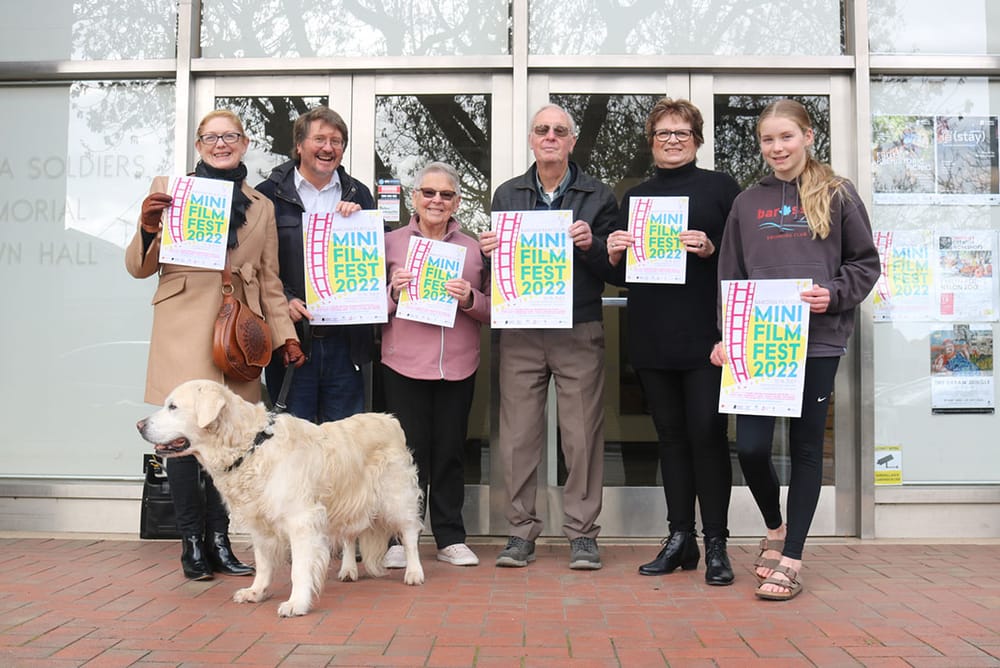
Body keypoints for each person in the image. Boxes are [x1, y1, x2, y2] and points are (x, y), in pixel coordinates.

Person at [710, 99, 880, 600]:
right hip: (760, 342)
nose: (777, 147)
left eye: (786, 137)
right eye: (768, 139)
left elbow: (865, 263)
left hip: (819, 341)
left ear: (808, 136)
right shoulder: (747, 204)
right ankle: (775, 526)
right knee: (752, 447)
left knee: (806, 449)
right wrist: (726, 336)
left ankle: (791, 559)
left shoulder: (838, 193)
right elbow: (730, 275)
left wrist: (835, 294)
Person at [126, 109, 303, 580]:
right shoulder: (171, 190)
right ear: (199, 145)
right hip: (183, 325)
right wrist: (148, 227)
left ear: (244, 144)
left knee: (229, 437)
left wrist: (285, 337)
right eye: (211, 137)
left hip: (238, 335)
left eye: (230, 137)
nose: (220, 144)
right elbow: (139, 268)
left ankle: (221, 540)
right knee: (184, 435)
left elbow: (270, 279)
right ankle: (191, 543)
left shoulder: (261, 205)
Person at [606, 98, 741, 585]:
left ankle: (717, 543)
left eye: (681, 133)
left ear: (697, 139)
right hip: (652, 335)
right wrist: (613, 253)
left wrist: (711, 248)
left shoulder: (721, 188)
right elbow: (622, 277)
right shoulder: (636, 197)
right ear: (651, 141)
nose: (672, 141)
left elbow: (742, 258)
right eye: (663, 133)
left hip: (706, 338)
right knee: (670, 439)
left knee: (708, 436)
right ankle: (680, 537)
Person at [481, 103, 618, 570]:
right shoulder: (508, 194)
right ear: (531, 139)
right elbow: (499, 266)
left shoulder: (599, 196)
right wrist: (490, 252)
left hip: (578, 326)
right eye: (542, 129)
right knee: (518, 436)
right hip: (521, 328)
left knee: (581, 436)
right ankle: (520, 532)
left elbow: (616, 268)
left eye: (560, 130)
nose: (551, 137)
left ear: (572, 141)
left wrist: (593, 245)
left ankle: (582, 534)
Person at [380, 162, 490, 568]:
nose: (436, 201)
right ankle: (398, 538)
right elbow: (367, 304)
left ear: (457, 202)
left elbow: (497, 307)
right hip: (403, 364)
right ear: (414, 197)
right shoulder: (389, 243)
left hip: (457, 365)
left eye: (446, 195)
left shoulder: (475, 249)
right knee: (405, 455)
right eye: (428, 193)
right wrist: (393, 292)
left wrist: (470, 299)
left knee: (449, 452)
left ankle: (450, 537)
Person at [256, 106, 376, 423]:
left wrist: (359, 223)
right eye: (319, 139)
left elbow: (376, 259)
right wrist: (283, 300)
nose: (328, 148)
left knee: (344, 441)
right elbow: (254, 265)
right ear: (299, 145)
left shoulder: (359, 194)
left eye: (336, 141)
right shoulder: (268, 195)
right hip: (292, 341)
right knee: (293, 441)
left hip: (346, 346)